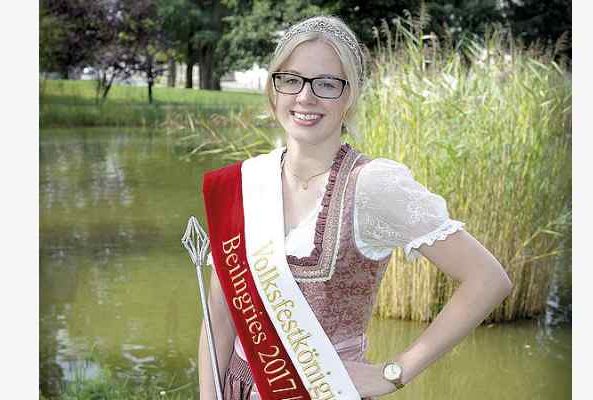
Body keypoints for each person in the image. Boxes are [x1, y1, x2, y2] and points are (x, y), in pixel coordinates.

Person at [198, 15, 513, 400]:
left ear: (349, 97)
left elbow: (488, 279)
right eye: (291, 79)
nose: (305, 97)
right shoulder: (245, 184)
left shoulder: (373, 186)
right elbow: (219, 316)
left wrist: (393, 372)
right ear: (273, 90)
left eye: (327, 83)